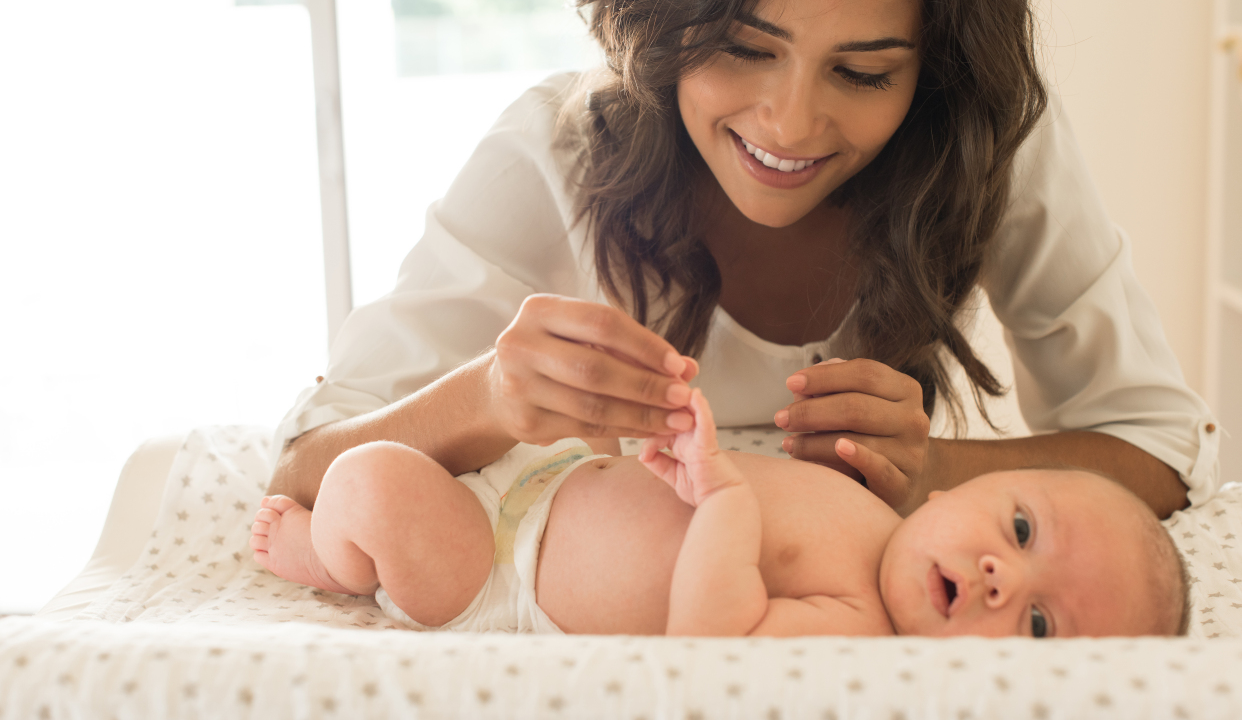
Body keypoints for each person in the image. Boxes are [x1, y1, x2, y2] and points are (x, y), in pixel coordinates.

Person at [268, 0, 1219, 520]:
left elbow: (1157, 450)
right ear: (668, 15)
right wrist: (487, 397)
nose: (791, 122)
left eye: (861, 71)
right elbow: (308, 465)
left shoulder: (983, 143)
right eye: (745, 48)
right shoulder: (557, 147)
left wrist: (932, 473)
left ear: (931, 78)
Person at [250, 388, 1190, 638]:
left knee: (373, 480)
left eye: (1036, 623)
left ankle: (330, 559)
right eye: (1020, 531)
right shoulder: (872, 512)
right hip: (564, 482)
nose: (1002, 573)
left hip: (502, 568)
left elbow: (712, 636)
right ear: (950, 487)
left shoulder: (863, 629)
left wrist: (726, 495)